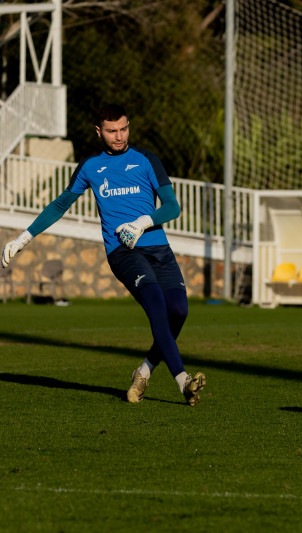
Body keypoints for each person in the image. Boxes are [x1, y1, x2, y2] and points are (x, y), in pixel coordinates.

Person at [1, 104, 207, 406]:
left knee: (179, 312)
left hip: (158, 248)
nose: (119, 136)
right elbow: (60, 205)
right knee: (155, 304)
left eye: (124, 129)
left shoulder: (147, 159)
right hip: (123, 253)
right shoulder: (90, 167)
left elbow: (172, 207)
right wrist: (24, 237)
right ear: (99, 131)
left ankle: (144, 371)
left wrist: (142, 222)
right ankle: (183, 381)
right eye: (112, 131)